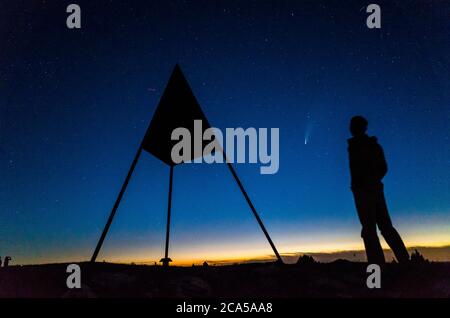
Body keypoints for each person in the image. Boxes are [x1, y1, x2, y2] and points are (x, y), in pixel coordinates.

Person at [348, 116, 410, 264]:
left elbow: (382, 168)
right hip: (369, 189)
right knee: (381, 227)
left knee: (372, 229)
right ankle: (403, 262)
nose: (351, 128)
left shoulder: (368, 146)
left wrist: (368, 182)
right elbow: (382, 168)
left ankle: (379, 268)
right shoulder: (360, 145)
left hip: (367, 191)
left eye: (354, 125)